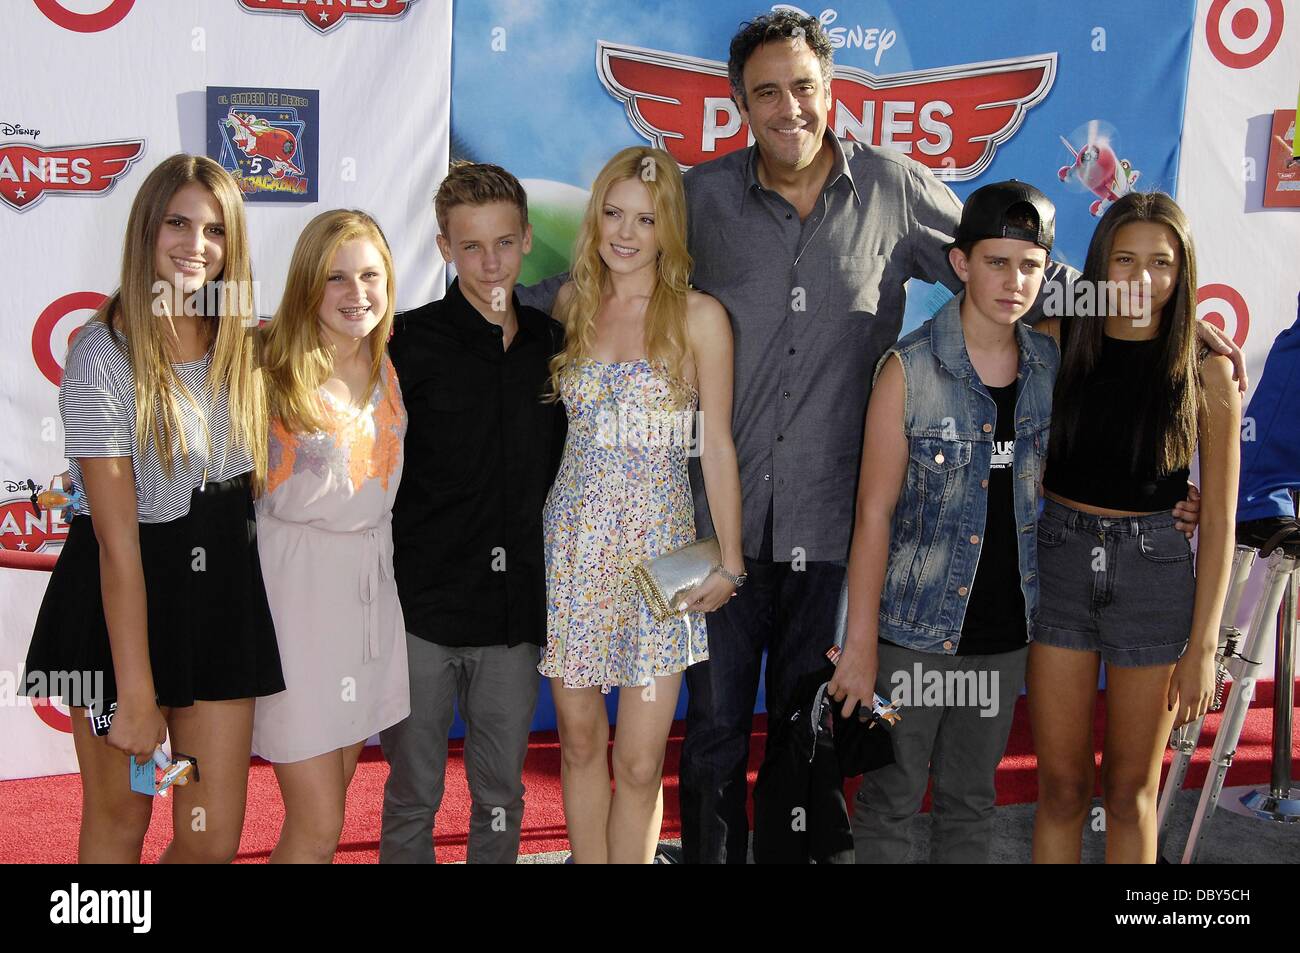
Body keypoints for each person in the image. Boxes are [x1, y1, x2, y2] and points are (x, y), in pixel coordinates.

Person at [519, 9, 1241, 865]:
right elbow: (600, 279)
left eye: (803, 87)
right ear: (739, 103)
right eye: (766, 93)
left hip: (832, 525)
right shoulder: (699, 198)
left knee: (807, 735)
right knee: (711, 738)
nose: (788, 108)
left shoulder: (897, 190)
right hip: (719, 525)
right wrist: (489, 305)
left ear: (831, 90)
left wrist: (1142, 306)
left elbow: (1012, 264)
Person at [21, 154, 283, 863]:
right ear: (146, 229)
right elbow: (117, 544)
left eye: (214, 230)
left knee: (211, 839)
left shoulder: (241, 347)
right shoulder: (101, 352)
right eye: (178, 222)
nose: (196, 245)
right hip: (117, 617)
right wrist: (135, 690)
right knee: (119, 826)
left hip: (222, 603)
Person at [839, 181, 1059, 863]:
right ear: (961, 264)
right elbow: (873, 513)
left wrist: (1181, 494)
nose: (1013, 280)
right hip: (913, 635)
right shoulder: (909, 369)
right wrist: (861, 643)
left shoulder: (1050, 365)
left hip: (1004, 636)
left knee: (971, 799)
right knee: (892, 799)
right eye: (997, 262)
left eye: (1029, 266)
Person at [541, 146, 743, 864]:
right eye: (613, 214)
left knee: (637, 759)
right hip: (572, 545)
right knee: (578, 740)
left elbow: (716, 445)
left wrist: (731, 559)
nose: (625, 232)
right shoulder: (570, 304)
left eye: (645, 219)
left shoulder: (699, 317)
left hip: (661, 555)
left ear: (669, 230)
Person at [1028, 192, 1241, 863]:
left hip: (1154, 578)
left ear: (1183, 273)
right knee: (1061, 788)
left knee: (1129, 793)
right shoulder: (1055, 342)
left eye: (1161, 262)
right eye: (1124, 259)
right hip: (1059, 565)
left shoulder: (1206, 373)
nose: (1142, 279)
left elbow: (1223, 518)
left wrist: (1204, 645)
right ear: (1098, 267)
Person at [380, 163, 565, 864]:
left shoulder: (553, 347)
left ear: (524, 242)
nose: (490, 262)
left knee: (500, 796)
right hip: (418, 615)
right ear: (443, 248)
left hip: (512, 621)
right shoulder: (403, 343)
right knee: (412, 793)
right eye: (471, 246)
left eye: (505, 243)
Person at [252, 209, 409, 863]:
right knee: (318, 824)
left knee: (332, 807)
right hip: (296, 601)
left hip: (368, 594)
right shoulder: (267, 367)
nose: (357, 293)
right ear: (307, 284)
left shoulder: (386, 362)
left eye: (370, 275)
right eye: (336, 277)